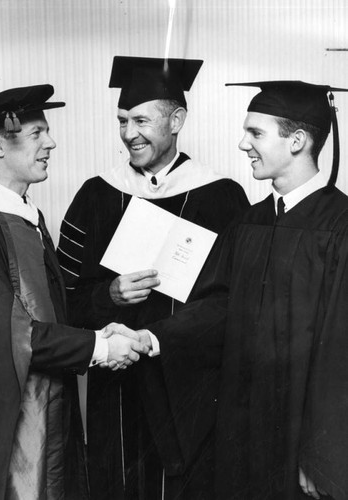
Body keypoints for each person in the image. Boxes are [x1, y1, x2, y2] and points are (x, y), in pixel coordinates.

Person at [57, 56, 250, 499]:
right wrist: (108, 294)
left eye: (141, 119)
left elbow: (232, 302)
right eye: (122, 120)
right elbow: (63, 298)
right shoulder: (96, 194)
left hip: (189, 385)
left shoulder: (222, 196)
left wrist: (159, 336)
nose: (129, 134)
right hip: (116, 386)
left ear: (177, 119)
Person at [0, 84, 148, 500]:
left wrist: (102, 334)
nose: (51, 143)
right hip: (5, 422)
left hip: (49, 406)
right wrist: (100, 348)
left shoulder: (27, 216)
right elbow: (7, 332)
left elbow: (49, 316)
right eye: (37, 134)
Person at [179, 80, 348, 500]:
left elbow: (340, 354)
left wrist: (323, 453)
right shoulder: (247, 224)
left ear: (297, 140)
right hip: (239, 433)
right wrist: (152, 338)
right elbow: (216, 307)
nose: (242, 144)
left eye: (255, 133)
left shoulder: (341, 226)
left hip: (302, 441)